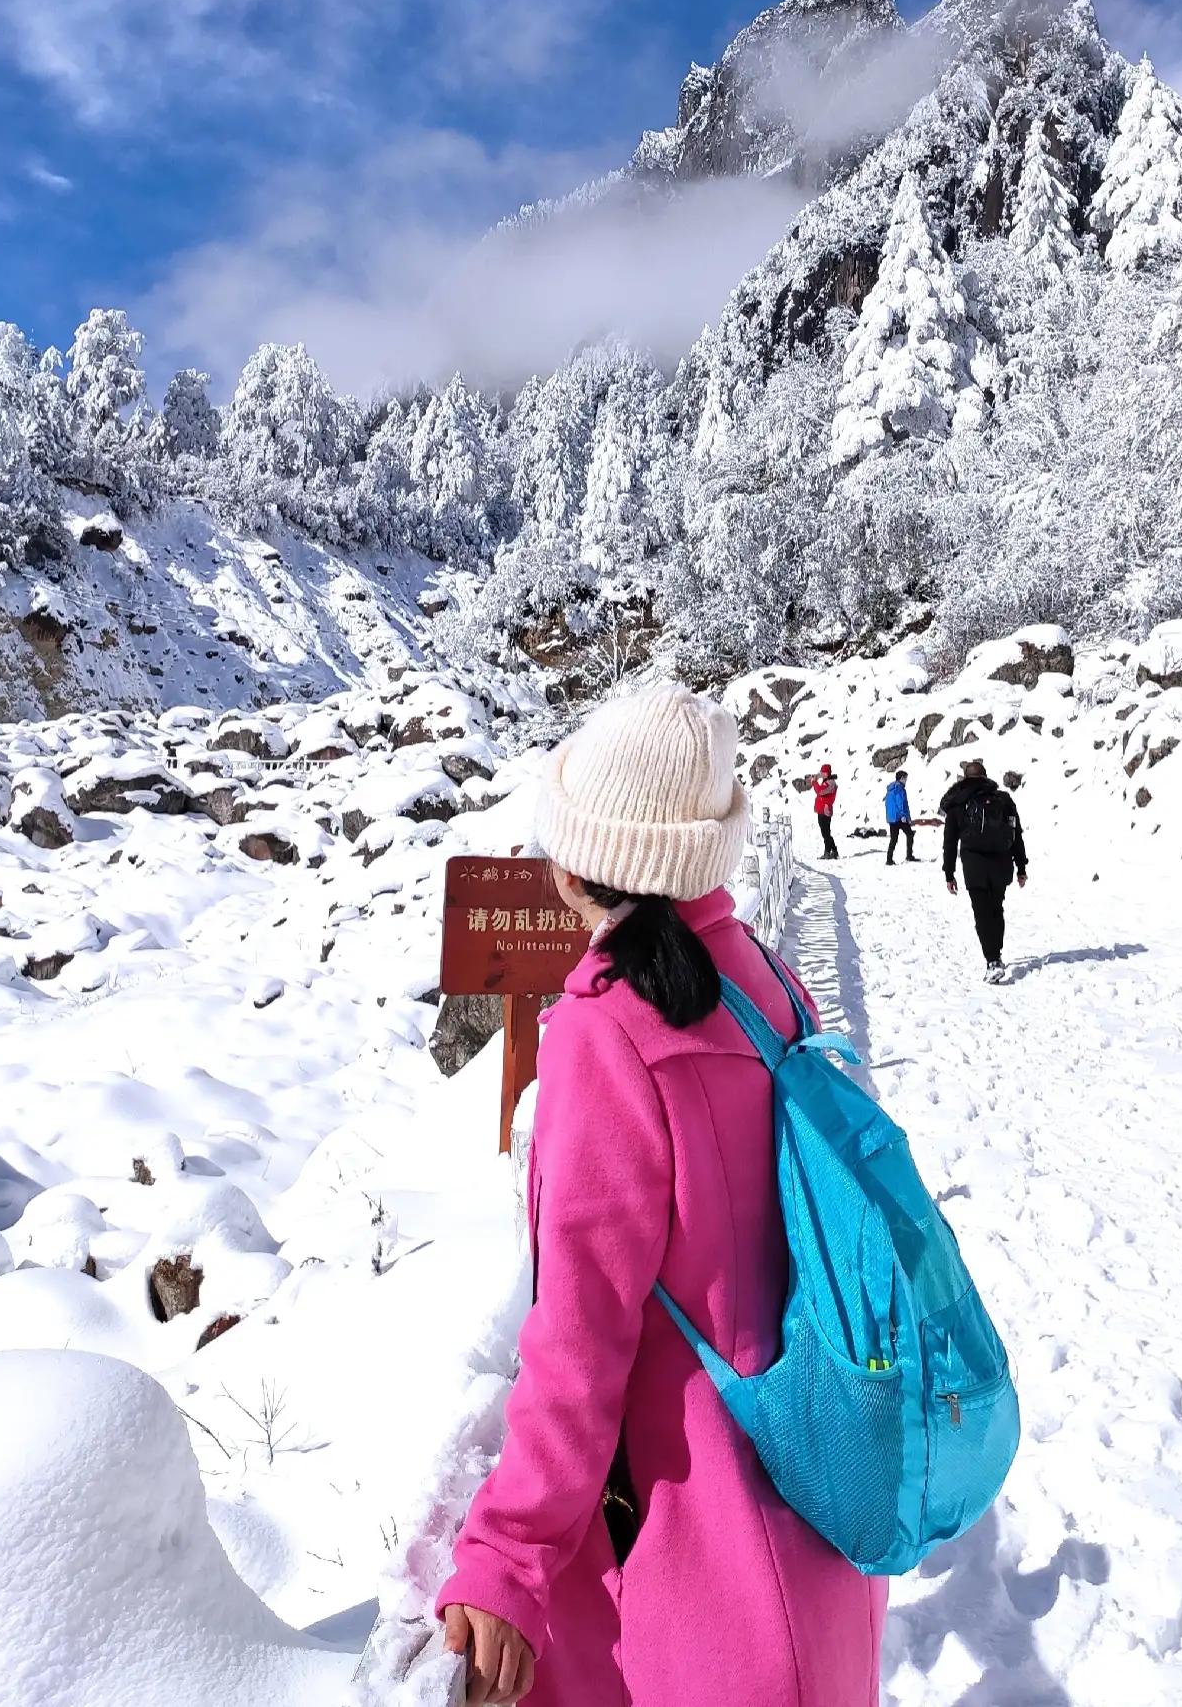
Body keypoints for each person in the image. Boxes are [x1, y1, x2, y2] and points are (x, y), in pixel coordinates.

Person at [438, 683, 885, 1707]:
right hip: (817, 1533)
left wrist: (507, 1551)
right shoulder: (767, 984)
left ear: (577, 857)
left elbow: (580, 1335)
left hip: (703, 1588)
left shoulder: (607, 1033)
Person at [939, 758, 1027, 983]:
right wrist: (1021, 867)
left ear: (965, 778)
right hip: (1002, 863)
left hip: (974, 866)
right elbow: (1016, 834)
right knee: (996, 909)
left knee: (982, 912)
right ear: (985, 777)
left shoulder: (958, 803)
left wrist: (949, 873)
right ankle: (996, 954)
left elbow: (950, 842)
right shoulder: (1003, 799)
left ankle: (992, 960)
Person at [883, 770, 917, 865]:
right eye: (905, 778)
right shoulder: (899, 788)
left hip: (892, 818)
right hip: (899, 818)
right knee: (910, 834)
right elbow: (900, 803)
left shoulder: (891, 789)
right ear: (901, 778)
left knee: (893, 839)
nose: (906, 780)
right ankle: (909, 856)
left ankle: (889, 859)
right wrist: (904, 816)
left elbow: (888, 804)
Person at [812, 762, 839, 859]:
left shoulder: (830, 783)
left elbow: (820, 791)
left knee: (826, 833)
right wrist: (818, 776)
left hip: (825, 811)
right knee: (826, 833)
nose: (822, 774)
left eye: (823, 773)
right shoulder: (827, 781)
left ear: (827, 773)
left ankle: (828, 852)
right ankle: (834, 851)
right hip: (822, 810)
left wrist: (814, 781)